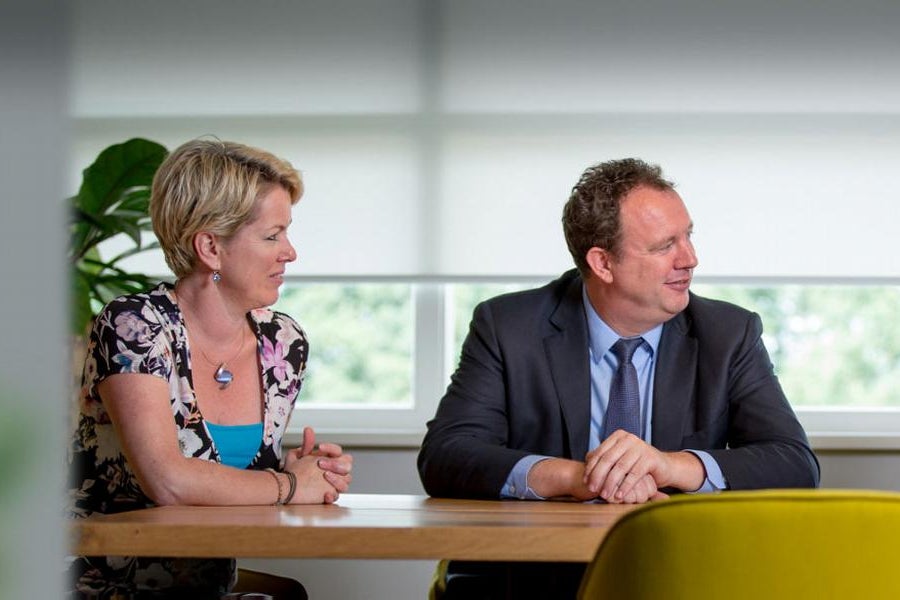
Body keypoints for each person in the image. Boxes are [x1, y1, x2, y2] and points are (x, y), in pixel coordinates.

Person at [418, 158, 819, 598]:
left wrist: (669, 464)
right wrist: (579, 478)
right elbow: (446, 455)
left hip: (674, 575)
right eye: (665, 245)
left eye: (688, 235)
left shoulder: (729, 333)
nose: (690, 259)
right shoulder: (508, 325)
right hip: (531, 578)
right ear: (603, 263)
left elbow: (794, 462)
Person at [67, 139, 353, 599]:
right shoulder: (135, 326)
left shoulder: (283, 343)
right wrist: (288, 484)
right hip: (99, 587)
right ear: (210, 248)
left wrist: (294, 468)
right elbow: (169, 481)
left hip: (205, 590)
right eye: (272, 235)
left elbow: (225, 476)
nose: (290, 253)